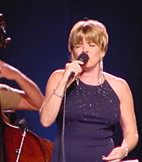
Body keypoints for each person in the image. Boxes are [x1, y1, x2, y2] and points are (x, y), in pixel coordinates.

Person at [40, 19, 138, 162]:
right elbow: (45, 120)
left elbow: (131, 132)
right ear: (72, 50)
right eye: (79, 45)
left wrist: (124, 149)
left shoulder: (119, 86)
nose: (85, 50)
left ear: (102, 49)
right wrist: (64, 82)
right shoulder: (59, 78)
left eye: (91, 45)